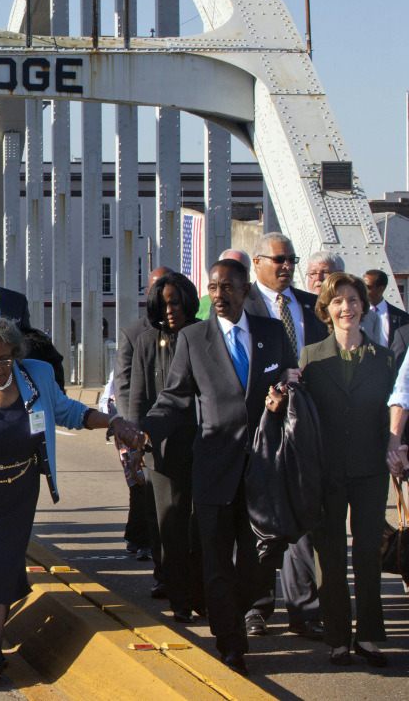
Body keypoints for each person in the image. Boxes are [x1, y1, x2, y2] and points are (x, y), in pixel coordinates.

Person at [0, 317, 139, 681]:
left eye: (4, 359)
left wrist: (112, 421)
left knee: (6, 565)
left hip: (20, 492)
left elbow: (69, 412)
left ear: (16, 353)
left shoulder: (37, 376)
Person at [142, 258, 295, 675]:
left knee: (256, 564)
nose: (219, 295)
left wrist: (284, 392)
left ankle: (238, 613)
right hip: (214, 468)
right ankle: (230, 642)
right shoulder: (194, 338)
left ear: (245, 291)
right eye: (213, 288)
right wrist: (144, 432)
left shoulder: (271, 333)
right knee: (215, 561)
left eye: (228, 288)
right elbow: (174, 398)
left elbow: (288, 379)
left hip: (263, 469)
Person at [299, 273, 394, 667]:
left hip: (371, 469)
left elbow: (395, 412)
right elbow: (299, 413)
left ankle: (369, 637)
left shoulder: (386, 359)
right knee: (331, 555)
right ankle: (338, 637)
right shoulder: (310, 358)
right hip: (327, 470)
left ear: (363, 307)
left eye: (353, 300)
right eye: (337, 301)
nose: (346, 308)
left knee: (368, 551)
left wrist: (397, 448)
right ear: (325, 309)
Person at [244, 232, 325, 641]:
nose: (286, 266)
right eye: (278, 259)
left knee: (304, 513)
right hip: (264, 427)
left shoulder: (312, 306)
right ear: (257, 262)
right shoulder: (245, 306)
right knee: (262, 519)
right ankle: (258, 607)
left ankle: (304, 609)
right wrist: (274, 383)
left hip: (308, 425)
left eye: (291, 259)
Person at [117, 271, 203, 623]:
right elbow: (137, 397)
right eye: (164, 304)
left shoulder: (203, 335)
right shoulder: (147, 342)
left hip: (201, 443)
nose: (171, 311)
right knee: (169, 526)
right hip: (160, 447)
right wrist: (135, 444)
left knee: (199, 525)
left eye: (176, 302)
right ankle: (178, 595)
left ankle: (200, 592)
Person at [112, 266, 174, 570]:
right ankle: (140, 538)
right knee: (139, 483)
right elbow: (123, 384)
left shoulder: (188, 329)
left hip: (174, 425)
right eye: (155, 288)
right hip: (137, 423)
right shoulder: (133, 333)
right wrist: (129, 426)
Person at [196, 249, 251, 320]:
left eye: (241, 269)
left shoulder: (262, 301)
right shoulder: (204, 304)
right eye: (228, 268)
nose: (218, 295)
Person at [361, 269, 408, 348]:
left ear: (380, 289)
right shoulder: (356, 314)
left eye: (367, 287)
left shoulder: (402, 318)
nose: (363, 291)